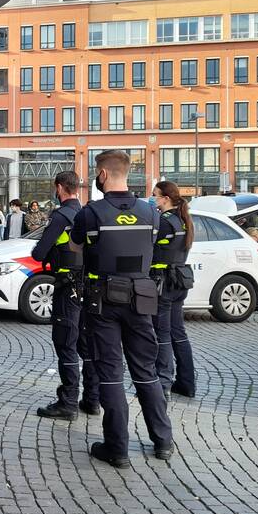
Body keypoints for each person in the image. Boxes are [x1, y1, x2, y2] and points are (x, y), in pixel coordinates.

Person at [70, 150, 174, 468]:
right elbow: (159, 247)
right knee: (146, 372)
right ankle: (163, 441)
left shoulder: (91, 213)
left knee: (111, 375)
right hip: (141, 299)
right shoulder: (151, 213)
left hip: (103, 302)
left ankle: (117, 448)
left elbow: (75, 247)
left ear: (102, 174)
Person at [31, 171, 99, 421]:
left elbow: (39, 253)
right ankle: (92, 399)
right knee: (86, 344)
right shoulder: (88, 215)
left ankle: (68, 402)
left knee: (66, 344)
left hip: (67, 287)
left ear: (59, 188)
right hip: (88, 287)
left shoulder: (61, 216)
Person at [150, 181, 197, 399]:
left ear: (166, 198)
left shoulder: (164, 222)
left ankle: (163, 382)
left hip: (163, 283)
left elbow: (149, 247)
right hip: (179, 281)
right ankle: (187, 383)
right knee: (178, 332)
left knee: (162, 333)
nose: (153, 199)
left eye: (155, 196)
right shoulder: (184, 220)